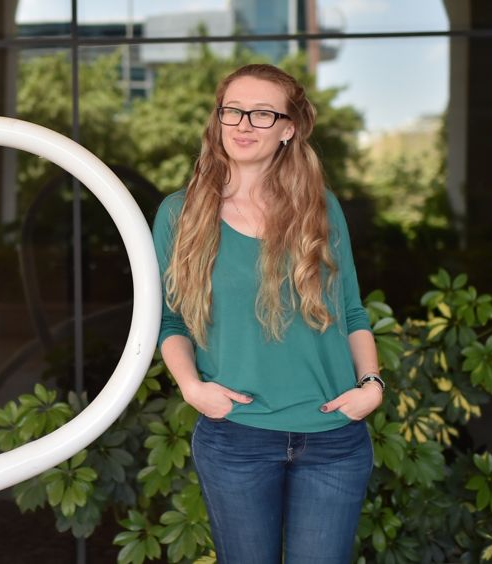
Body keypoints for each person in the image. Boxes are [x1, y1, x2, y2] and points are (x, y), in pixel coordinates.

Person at [152, 63, 384, 563]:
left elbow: (352, 312)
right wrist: (193, 389)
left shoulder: (320, 208)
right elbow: (170, 322)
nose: (242, 124)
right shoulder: (179, 213)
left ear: (288, 128)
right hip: (236, 437)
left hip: (334, 440)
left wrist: (372, 387)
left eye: (262, 113)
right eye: (232, 110)